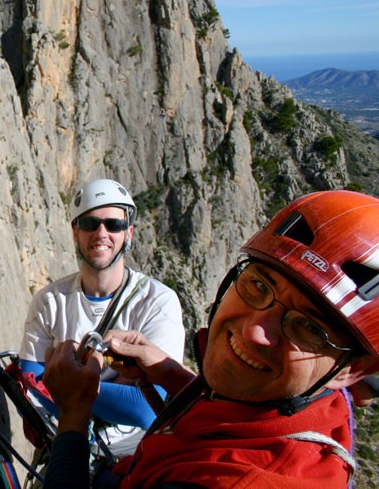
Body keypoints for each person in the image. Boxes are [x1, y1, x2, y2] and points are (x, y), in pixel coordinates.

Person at [42, 190, 379, 488]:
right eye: (258, 286)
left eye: (307, 328)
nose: (254, 331)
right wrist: (171, 375)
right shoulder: (319, 409)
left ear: (354, 370)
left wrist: (75, 412)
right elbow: (240, 420)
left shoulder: (234, 481)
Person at [18, 178, 185, 455]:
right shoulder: (50, 301)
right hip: (65, 444)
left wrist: (64, 385)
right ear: (75, 232)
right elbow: (30, 384)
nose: (102, 233)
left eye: (114, 224)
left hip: (130, 458)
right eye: (89, 224)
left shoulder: (157, 302)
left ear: (128, 233)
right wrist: (119, 391)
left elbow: (145, 407)